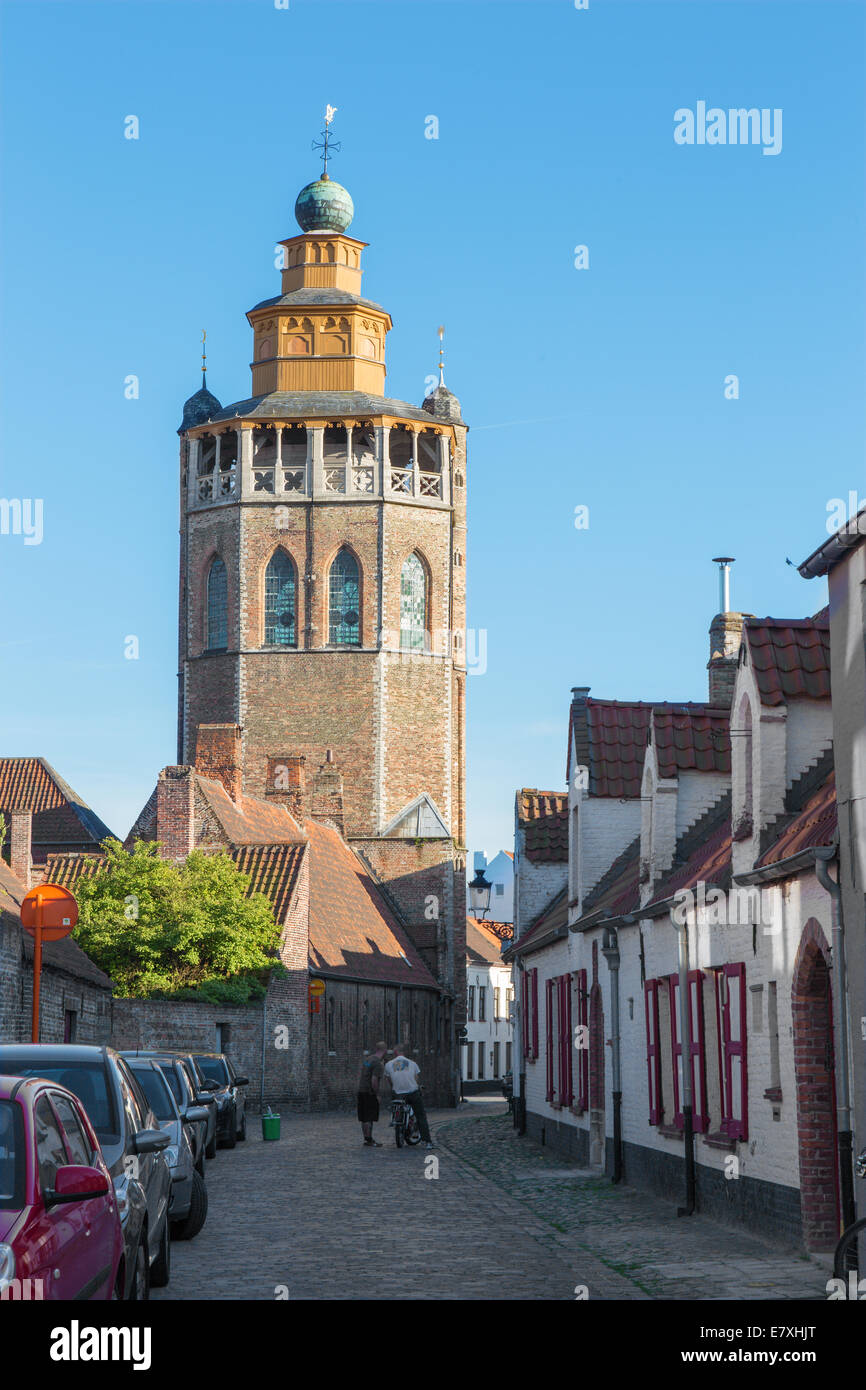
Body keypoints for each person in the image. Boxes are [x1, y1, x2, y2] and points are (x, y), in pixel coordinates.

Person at [385, 1043, 433, 1149]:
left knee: (395, 1105)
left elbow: (389, 1079)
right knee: (421, 1116)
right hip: (412, 1093)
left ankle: (395, 1118)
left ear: (396, 1052)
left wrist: (395, 1088)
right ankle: (427, 1141)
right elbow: (416, 1078)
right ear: (403, 1052)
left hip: (398, 1095)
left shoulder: (388, 1064)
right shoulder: (412, 1063)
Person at [357, 1041, 387, 1146]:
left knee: (364, 1117)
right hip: (369, 1092)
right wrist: (377, 1094)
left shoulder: (368, 1059)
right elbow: (374, 1080)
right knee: (369, 1116)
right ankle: (369, 1140)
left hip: (361, 1090)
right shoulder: (377, 1063)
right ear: (384, 1051)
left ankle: (367, 1139)